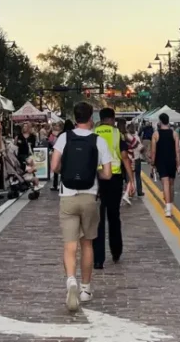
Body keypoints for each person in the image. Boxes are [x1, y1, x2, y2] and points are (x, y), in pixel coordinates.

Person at [52, 102, 112, 312]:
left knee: (70, 246)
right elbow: (107, 174)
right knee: (87, 244)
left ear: (75, 117)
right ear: (91, 118)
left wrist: (65, 170)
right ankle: (86, 289)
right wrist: (94, 171)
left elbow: (54, 166)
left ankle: (71, 280)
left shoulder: (64, 137)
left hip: (67, 196)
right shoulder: (99, 141)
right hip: (89, 196)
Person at [92, 108, 133, 269]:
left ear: (101, 119)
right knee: (114, 216)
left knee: (98, 218)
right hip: (114, 178)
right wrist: (131, 179)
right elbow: (124, 157)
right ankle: (116, 251)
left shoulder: (94, 133)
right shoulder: (117, 134)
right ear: (112, 119)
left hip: (97, 178)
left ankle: (98, 259)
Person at [151, 113, 180, 217]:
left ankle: (168, 208)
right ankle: (171, 204)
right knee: (171, 184)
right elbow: (177, 151)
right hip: (171, 160)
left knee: (165, 183)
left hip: (161, 161)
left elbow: (153, 151)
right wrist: (178, 164)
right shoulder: (174, 134)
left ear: (160, 121)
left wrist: (152, 163)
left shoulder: (155, 134)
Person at [125, 124, 144, 198]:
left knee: (129, 176)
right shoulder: (137, 137)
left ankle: (130, 192)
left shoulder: (126, 137)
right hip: (137, 159)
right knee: (138, 176)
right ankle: (139, 191)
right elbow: (141, 148)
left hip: (129, 159)